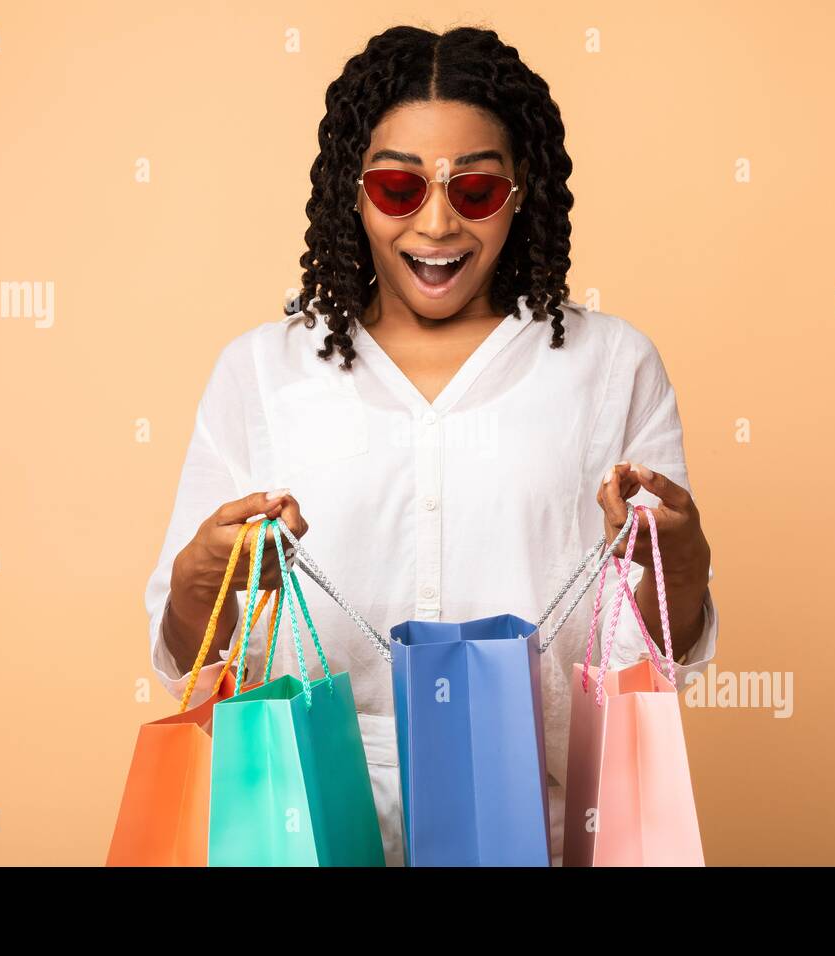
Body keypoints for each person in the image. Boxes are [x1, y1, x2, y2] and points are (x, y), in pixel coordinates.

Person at [144, 25, 717, 866]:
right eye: (398, 186)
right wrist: (202, 583)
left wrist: (686, 559)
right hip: (308, 833)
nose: (438, 222)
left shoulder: (609, 365)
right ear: (354, 191)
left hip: (538, 834)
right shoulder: (262, 372)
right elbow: (188, 661)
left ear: (523, 194)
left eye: (476, 190)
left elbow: (661, 661)